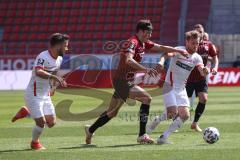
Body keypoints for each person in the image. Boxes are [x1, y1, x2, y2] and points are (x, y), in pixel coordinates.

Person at [84, 19, 188, 145]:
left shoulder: (143, 43)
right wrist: (146, 70)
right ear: (142, 32)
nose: (150, 35)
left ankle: (90, 130)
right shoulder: (132, 43)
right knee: (147, 98)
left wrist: (178, 50)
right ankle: (142, 135)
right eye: (148, 33)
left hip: (125, 81)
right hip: (122, 81)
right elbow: (128, 60)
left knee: (112, 113)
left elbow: (161, 47)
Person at [147, 30, 209, 144]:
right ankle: (158, 120)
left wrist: (205, 71)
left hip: (181, 88)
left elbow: (201, 71)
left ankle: (163, 137)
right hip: (169, 85)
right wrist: (161, 62)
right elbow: (166, 54)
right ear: (187, 42)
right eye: (193, 43)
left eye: (197, 43)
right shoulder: (179, 50)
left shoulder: (197, 58)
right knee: (173, 113)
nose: (195, 46)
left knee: (185, 115)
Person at [11, 33, 69, 150]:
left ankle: (26, 113)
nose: (67, 48)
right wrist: (55, 78)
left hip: (45, 94)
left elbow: (53, 74)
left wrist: (53, 87)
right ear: (58, 46)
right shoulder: (43, 56)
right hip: (33, 94)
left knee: (51, 123)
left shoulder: (59, 59)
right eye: (65, 46)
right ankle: (34, 143)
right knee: (41, 123)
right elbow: (39, 72)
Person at [186, 24, 219, 132]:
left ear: (203, 32)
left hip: (201, 77)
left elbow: (215, 58)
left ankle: (195, 123)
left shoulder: (208, 45)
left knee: (203, 99)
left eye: (201, 31)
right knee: (184, 102)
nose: (199, 33)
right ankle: (176, 121)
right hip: (188, 78)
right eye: (197, 31)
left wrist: (215, 67)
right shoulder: (190, 44)